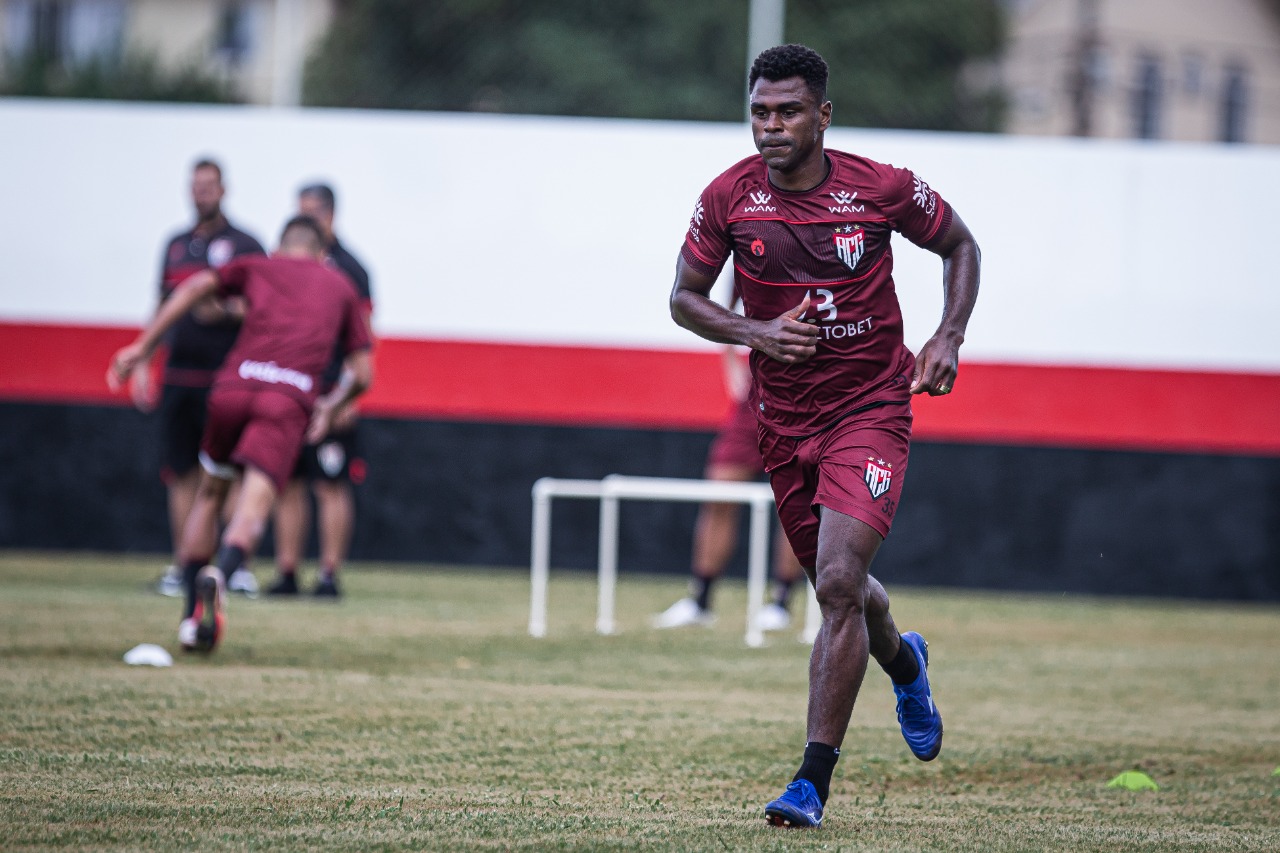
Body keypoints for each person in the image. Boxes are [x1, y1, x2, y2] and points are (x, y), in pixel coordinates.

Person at [668, 44, 980, 829]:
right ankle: (907, 662)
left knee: (839, 581)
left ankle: (809, 781)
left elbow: (960, 246)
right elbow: (682, 298)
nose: (770, 127)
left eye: (788, 112)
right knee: (842, 591)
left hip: (871, 409)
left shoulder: (880, 188)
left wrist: (948, 335)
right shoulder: (728, 199)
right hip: (783, 423)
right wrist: (755, 330)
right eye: (760, 113)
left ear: (822, 116)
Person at [109, 216, 374, 652]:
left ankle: (190, 622)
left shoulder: (257, 266)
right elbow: (363, 374)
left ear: (278, 247)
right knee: (252, 508)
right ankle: (224, 571)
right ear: (323, 252)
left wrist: (144, 346)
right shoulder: (340, 285)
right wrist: (331, 406)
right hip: (286, 399)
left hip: (230, 389)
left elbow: (193, 288)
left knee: (210, 494)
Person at [131, 158, 265, 599]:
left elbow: (262, 309)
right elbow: (161, 305)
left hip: (226, 380)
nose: (201, 193)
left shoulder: (245, 244)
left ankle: (231, 566)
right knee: (182, 472)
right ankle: (183, 565)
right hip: (179, 378)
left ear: (224, 190)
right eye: (196, 186)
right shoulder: (175, 245)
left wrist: (222, 311)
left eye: (209, 186)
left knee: (227, 473)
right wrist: (144, 361)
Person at [266, 182, 374, 599]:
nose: (303, 221)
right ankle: (287, 572)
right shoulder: (286, 267)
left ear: (330, 216)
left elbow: (364, 340)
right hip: (289, 388)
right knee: (286, 483)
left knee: (330, 484)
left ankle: (329, 575)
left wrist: (348, 394)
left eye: (311, 212)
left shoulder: (351, 269)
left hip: (330, 391)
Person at [651, 345, 805, 632]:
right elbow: (720, 319)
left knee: (795, 506)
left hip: (804, 410)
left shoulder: (828, 299)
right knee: (719, 497)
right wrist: (734, 371)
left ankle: (781, 604)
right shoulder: (749, 298)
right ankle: (701, 601)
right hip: (753, 406)